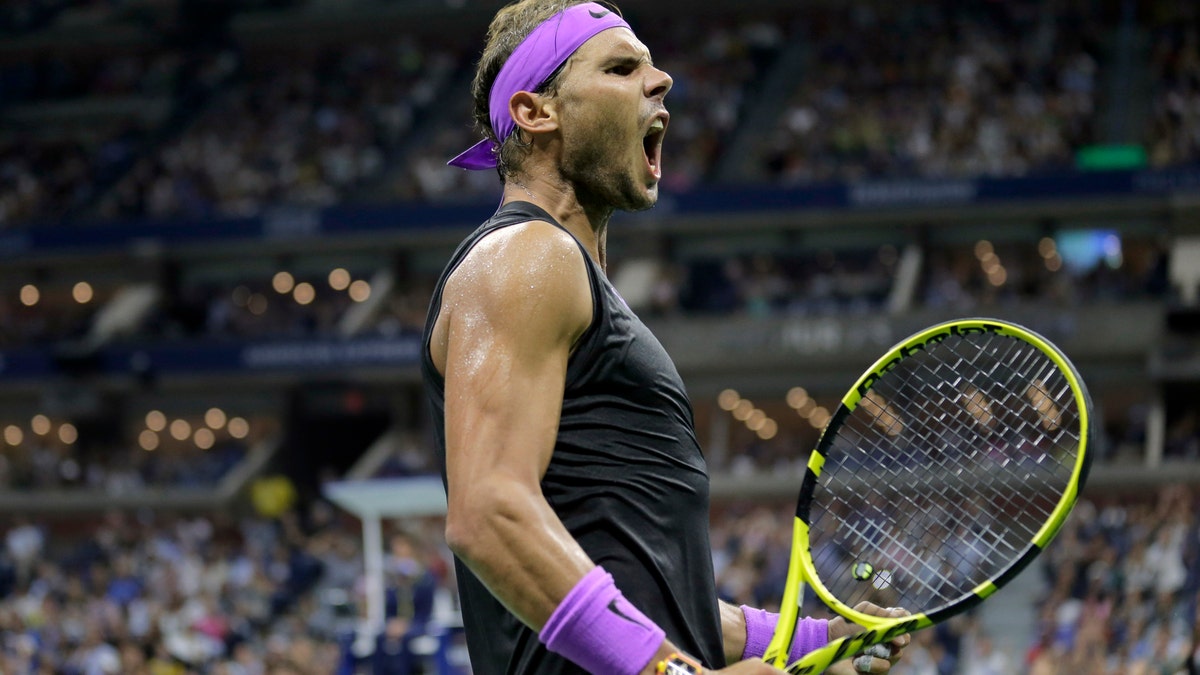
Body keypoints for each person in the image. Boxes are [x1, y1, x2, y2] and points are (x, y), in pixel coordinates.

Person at [420, 1, 910, 673]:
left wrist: (807, 639)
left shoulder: (566, 277)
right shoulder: (528, 256)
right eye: (622, 67)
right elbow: (489, 512)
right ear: (538, 112)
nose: (663, 81)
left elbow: (646, 591)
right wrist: (673, 671)